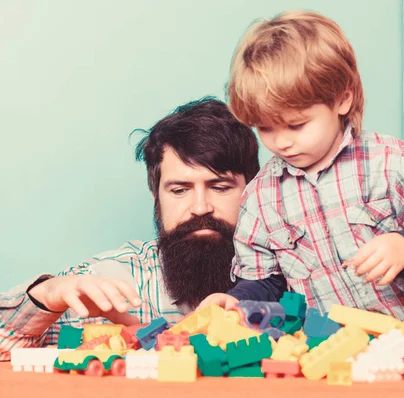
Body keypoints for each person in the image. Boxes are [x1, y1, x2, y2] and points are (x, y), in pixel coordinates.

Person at [200, 11, 404, 321]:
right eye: (265, 128)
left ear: (342, 100)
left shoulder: (392, 162)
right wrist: (236, 300)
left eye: (296, 125)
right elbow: (266, 283)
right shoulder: (261, 198)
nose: (281, 142)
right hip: (330, 351)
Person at [0, 97, 287, 360]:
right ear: (156, 198)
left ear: (253, 190)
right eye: (179, 190)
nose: (200, 207)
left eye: (220, 187)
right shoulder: (115, 281)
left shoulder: (296, 271)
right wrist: (47, 294)